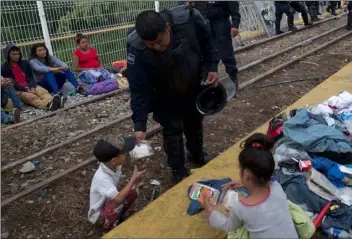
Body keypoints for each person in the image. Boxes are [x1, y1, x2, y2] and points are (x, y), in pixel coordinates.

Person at [127, 6, 219, 184]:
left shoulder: (189, 21)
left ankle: (196, 153)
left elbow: (208, 43)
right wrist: (139, 125)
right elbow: (139, 89)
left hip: (191, 82)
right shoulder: (136, 48)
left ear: (167, 28)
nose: (156, 47)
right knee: (172, 130)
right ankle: (178, 170)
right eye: (150, 45)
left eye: (160, 41)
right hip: (163, 93)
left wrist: (212, 67)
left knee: (194, 120)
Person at [199, 133, 298, 238]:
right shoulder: (277, 187)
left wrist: (209, 209)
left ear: (246, 174)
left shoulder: (241, 207)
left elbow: (228, 226)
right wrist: (244, 183)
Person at [88, 137, 145, 231]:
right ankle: (108, 227)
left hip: (108, 200)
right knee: (117, 204)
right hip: (99, 212)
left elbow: (125, 161)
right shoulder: (102, 178)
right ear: (114, 160)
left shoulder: (112, 165)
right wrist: (133, 179)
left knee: (133, 190)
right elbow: (118, 199)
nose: (126, 154)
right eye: (123, 153)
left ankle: (119, 215)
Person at [190, 1, 241, 90]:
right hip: (204, 23)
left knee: (226, 53)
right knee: (206, 53)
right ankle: (207, 81)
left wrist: (235, 24)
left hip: (221, 22)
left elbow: (233, 6)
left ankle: (233, 79)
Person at [1, 44, 62, 111]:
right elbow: (12, 83)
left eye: (18, 54)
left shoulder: (24, 63)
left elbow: (30, 77)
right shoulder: (4, 68)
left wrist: (32, 87)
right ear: (8, 55)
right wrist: (26, 89)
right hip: (19, 90)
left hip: (30, 86)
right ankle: (47, 105)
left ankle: (52, 101)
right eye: (13, 54)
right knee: (31, 97)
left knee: (43, 91)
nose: (17, 56)